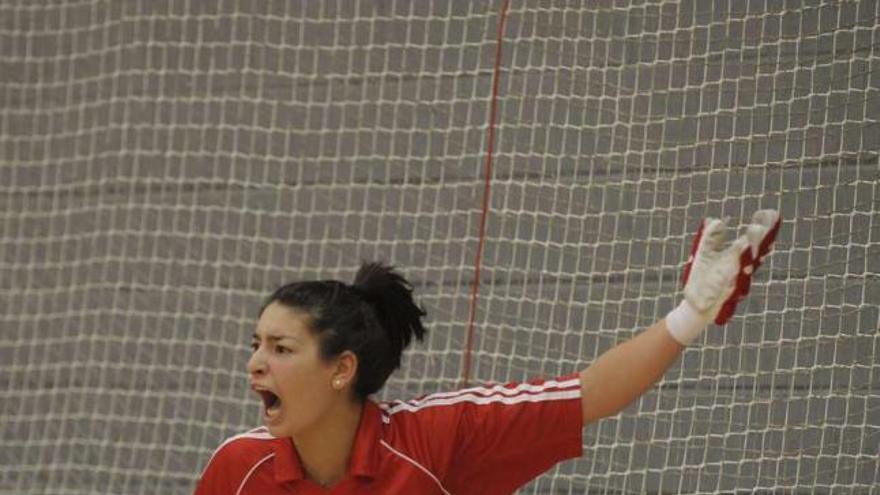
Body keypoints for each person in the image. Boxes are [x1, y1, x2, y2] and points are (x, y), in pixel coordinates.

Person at [194, 210, 781, 495]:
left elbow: (590, 394)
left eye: (281, 347)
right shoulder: (236, 468)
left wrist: (691, 314)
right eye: (255, 345)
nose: (256, 362)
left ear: (341, 369)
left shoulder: (439, 438)